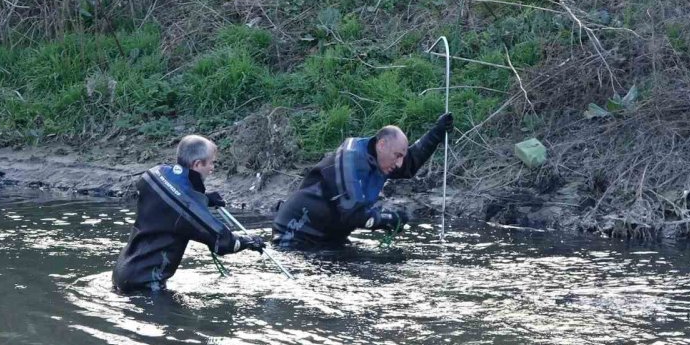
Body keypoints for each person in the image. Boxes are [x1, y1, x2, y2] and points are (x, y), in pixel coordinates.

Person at [272, 113, 453, 248]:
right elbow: (353, 213)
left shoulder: (381, 158)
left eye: (401, 157)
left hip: (330, 237)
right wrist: (387, 218)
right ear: (381, 144)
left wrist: (436, 133)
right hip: (296, 235)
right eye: (397, 156)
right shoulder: (350, 158)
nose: (399, 164)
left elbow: (410, 164)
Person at [113, 135, 265, 293]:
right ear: (198, 164)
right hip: (145, 284)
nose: (213, 168)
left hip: (122, 272)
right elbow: (223, 242)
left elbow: (174, 201)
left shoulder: (154, 174)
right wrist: (249, 241)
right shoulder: (188, 209)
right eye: (212, 163)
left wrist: (203, 199)